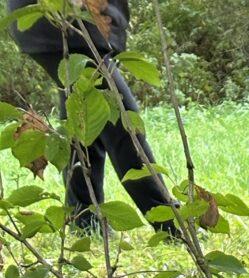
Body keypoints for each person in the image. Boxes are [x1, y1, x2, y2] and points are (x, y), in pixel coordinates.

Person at [7, 0, 176, 230]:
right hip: (65, 23)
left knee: (85, 123)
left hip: (71, 25)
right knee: (121, 121)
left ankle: (84, 219)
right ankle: (171, 223)